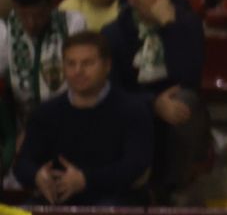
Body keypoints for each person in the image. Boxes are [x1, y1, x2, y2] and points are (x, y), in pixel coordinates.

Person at [12, 31, 150, 206]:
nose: (78, 71)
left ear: (107, 65)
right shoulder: (46, 112)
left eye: (87, 63)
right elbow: (22, 164)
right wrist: (37, 175)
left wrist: (87, 180)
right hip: (57, 199)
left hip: (114, 199)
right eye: (71, 63)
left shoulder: (132, 110)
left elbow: (135, 165)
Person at [104, 0, 206, 200]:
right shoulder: (114, 33)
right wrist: (152, 103)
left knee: (185, 102)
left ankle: (171, 188)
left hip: (174, 105)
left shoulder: (187, 26)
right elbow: (112, 88)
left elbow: (190, 78)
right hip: (134, 107)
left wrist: (170, 29)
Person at [0, 0, 84, 121]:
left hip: (68, 117)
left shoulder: (72, 24)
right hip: (23, 122)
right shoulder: (4, 31)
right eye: (23, 15)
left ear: (51, 4)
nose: (31, 24)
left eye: (39, 15)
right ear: (14, 5)